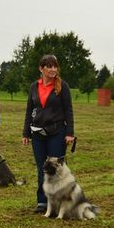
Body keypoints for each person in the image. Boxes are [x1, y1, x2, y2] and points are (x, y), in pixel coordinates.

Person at [22, 55, 76, 214]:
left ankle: (60, 202)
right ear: (41, 69)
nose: (53, 69)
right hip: (37, 134)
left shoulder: (62, 86)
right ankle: (42, 202)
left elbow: (69, 110)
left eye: (55, 66)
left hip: (57, 133)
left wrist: (70, 133)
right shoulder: (34, 87)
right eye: (49, 66)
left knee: (56, 169)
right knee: (42, 169)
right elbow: (29, 111)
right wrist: (26, 133)